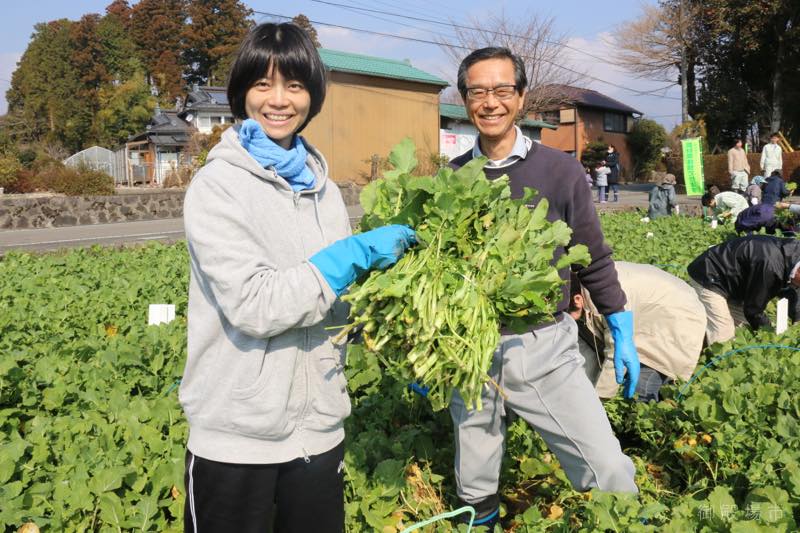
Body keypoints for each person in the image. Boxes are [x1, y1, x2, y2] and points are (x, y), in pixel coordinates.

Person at [179, 23, 416, 533]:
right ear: (242, 92)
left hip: (318, 432)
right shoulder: (217, 186)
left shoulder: (325, 191)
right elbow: (255, 306)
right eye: (263, 85)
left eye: (294, 85)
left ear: (313, 94)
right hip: (237, 438)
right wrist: (349, 258)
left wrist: (402, 324)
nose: (278, 100)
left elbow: (333, 302)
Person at [447, 46, 639, 529]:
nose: (490, 102)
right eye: (478, 91)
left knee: (608, 468)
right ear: (464, 98)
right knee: (475, 474)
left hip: (543, 343)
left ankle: (622, 521)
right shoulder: (451, 179)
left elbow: (592, 255)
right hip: (470, 348)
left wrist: (621, 324)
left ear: (521, 97)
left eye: (501, 90)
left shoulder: (561, 171)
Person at [569, 263, 706, 402]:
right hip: (646, 309)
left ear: (578, 300)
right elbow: (585, 349)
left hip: (675, 316)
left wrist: (598, 400)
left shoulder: (605, 298)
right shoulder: (576, 286)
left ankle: (649, 415)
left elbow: (617, 351)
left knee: (643, 385)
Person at [687, 235, 800, 345]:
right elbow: (753, 309)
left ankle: (703, 337)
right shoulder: (770, 267)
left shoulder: (792, 258)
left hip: (734, 281)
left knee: (745, 329)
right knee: (723, 334)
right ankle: (713, 357)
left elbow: (789, 291)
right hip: (709, 274)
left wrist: (797, 317)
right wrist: (769, 334)